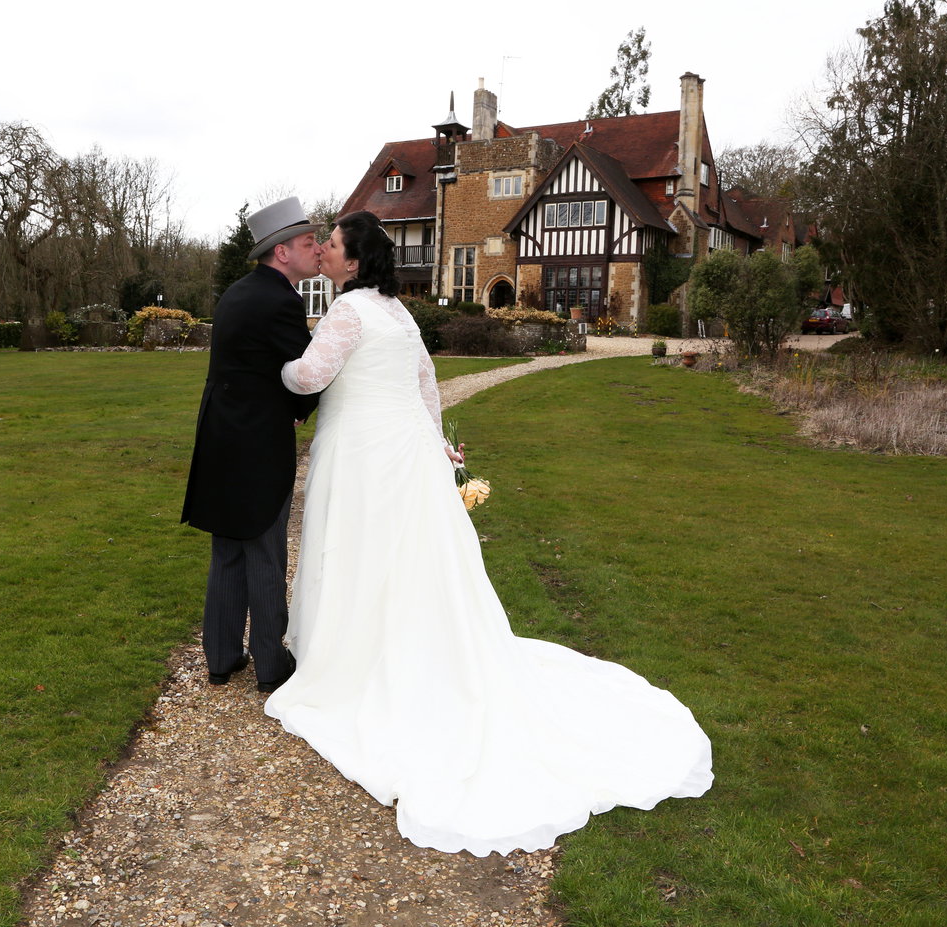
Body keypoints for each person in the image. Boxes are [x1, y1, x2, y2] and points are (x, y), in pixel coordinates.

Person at [264, 211, 713, 856]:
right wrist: (436, 443)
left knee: (361, 551)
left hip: (364, 454)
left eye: (332, 245)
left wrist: (276, 368)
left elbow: (309, 377)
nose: (325, 252)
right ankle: (412, 647)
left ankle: (353, 658)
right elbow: (426, 385)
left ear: (353, 262)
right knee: (411, 560)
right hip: (407, 453)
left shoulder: (348, 312)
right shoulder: (399, 313)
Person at [181, 197, 322, 693]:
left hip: (220, 438)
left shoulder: (237, 293)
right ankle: (270, 664)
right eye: (309, 242)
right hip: (258, 444)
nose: (318, 249)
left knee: (228, 549)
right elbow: (307, 372)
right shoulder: (281, 300)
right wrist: (304, 407)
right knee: (264, 549)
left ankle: (221, 658)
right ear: (282, 252)